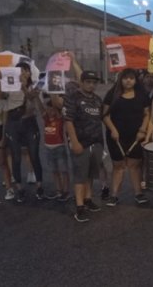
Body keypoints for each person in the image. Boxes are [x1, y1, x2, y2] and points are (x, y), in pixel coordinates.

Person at [103, 68, 150, 206]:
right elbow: (105, 115)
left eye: (131, 78)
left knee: (135, 165)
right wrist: (113, 130)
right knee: (118, 166)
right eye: (125, 78)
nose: (128, 80)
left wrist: (142, 130)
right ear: (120, 79)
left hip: (136, 136)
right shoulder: (112, 94)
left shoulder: (142, 94)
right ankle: (114, 195)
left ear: (136, 80)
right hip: (116, 136)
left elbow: (147, 114)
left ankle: (138, 193)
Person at [64, 71, 104, 222]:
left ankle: (88, 199)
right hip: (81, 143)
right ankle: (79, 207)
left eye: (94, 82)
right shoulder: (73, 98)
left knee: (90, 174)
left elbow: (102, 118)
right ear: (81, 82)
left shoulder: (97, 99)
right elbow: (68, 121)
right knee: (80, 176)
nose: (91, 85)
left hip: (97, 142)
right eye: (88, 82)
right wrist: (74, 142)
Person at [3, 61, 44, 202]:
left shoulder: (35, 86)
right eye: (19, 71)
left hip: (29, 123)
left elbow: (31, 97)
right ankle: (19, 188)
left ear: (29, 72)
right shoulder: (10, 87)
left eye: (24, 70)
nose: (22, 73)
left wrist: (23, 86)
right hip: (13, 123)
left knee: (34, 155)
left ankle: (39, 186)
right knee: (16, 156)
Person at [38, 99, 69, 200]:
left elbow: (56, 107)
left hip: (59, 147)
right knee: (54, 171)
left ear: (56, 110)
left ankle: (66, 191)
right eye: (48, 110)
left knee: (64, 170)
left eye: (52, 110)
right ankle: (58, 190)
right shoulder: (46, 118)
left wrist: (53, 96)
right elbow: (40, 107)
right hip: (48, 147)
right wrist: (37, 97)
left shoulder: (59, 118)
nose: (50, 112)